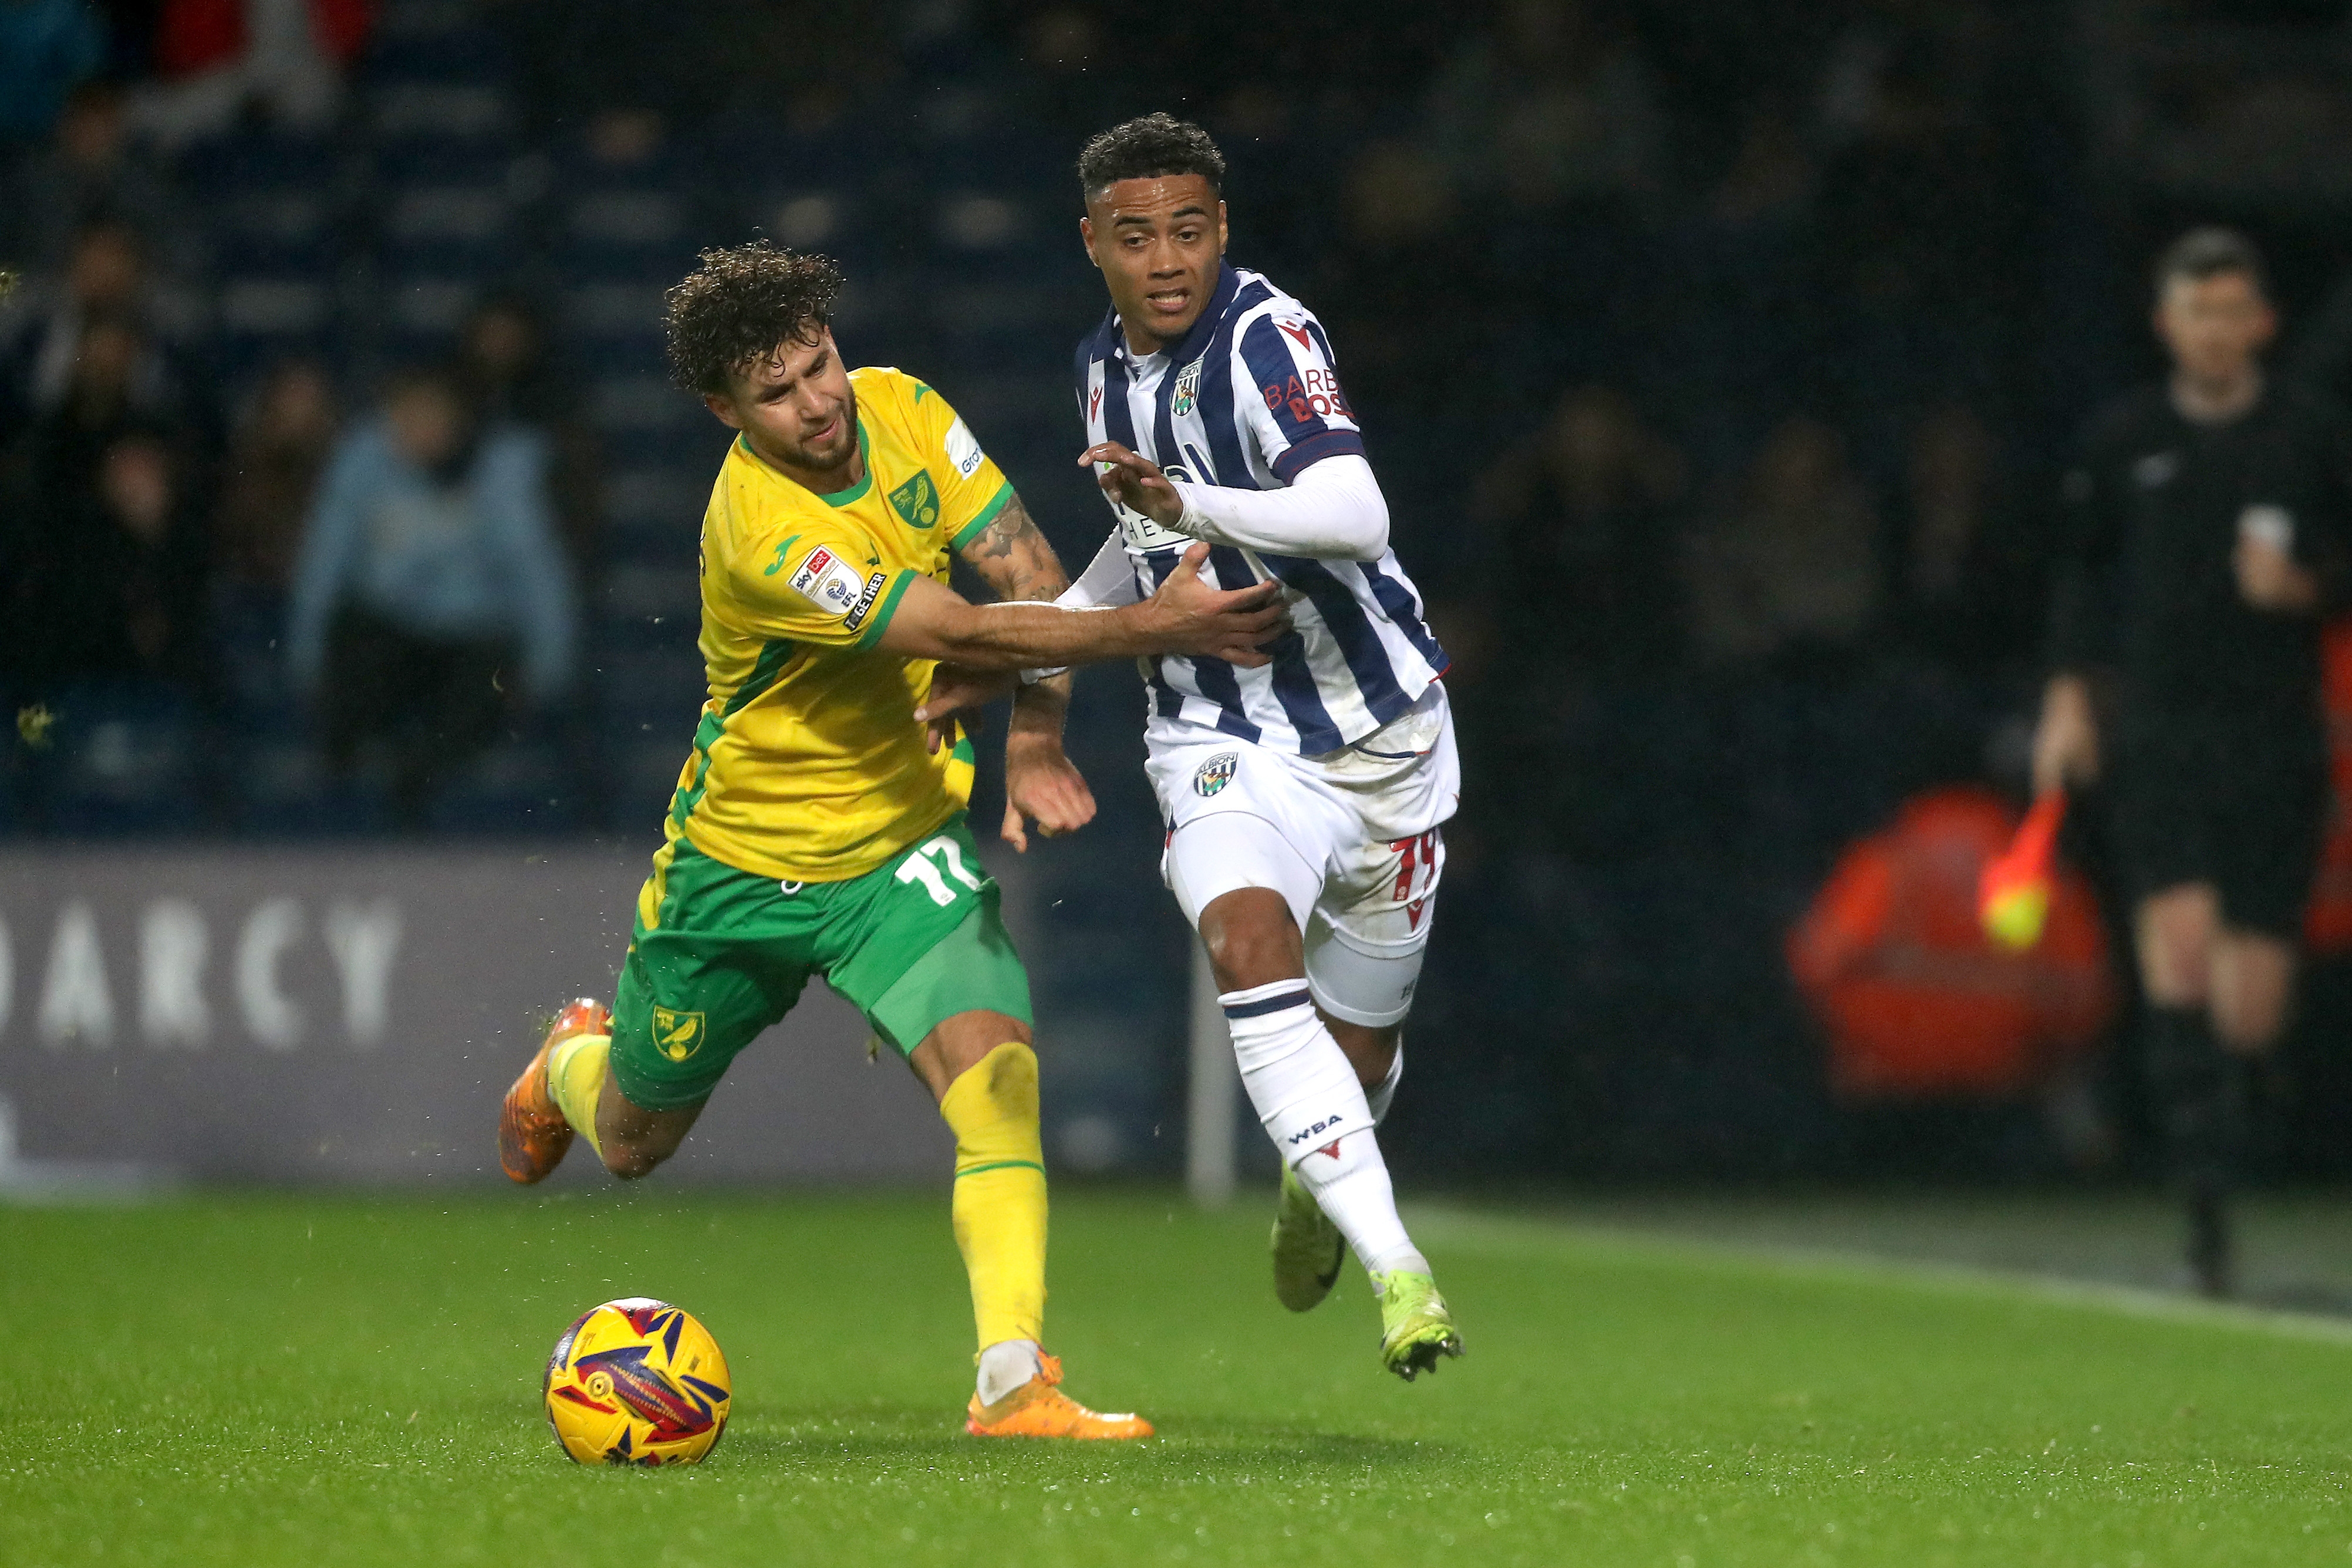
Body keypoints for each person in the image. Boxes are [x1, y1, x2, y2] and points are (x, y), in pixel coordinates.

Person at [495, 242, 1288, 1439]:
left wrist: (1030, 736)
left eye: (819, 365)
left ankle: (1012, 1384)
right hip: (740, 871)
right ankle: (569, 1057)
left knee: (999, 1075)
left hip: (899, 850)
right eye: (776, 393)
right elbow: (966, 621)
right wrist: (1157, 625)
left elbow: (1027, 572)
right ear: (724, 409)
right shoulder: (760, 531)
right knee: (629, 1140)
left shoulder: (906, 407)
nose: (817, 403)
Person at [930, 114, 1466, 1380]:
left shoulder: (1266, 337)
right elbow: (1142, 558)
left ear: (1219, 230)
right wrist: (1016, 656)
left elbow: (1352, 509)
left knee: (1360, 1050)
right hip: (1219, 729)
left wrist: (1190, 504)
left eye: (1186, 230)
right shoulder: (1101, 372)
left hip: (1381, 733)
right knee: (1244, 942)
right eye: (1134, 238)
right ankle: (1401, 1271)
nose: (1164, 261)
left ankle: (1313, 1171)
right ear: (1090, 246)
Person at [2033, 227, 2352, 1296]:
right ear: (2164, 323)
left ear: (2260, 322)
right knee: (2175, 956)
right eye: (2193, 311)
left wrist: (2302, 587)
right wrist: (2069, 701)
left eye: (2232, 311)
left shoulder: (2309, 438)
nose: (2214, 331)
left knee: (2249, 1010)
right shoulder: (2123, 440)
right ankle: (2204, 1230)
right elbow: (2079, 579)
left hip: (2273, 738)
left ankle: (2233, 1141)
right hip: (2161, 734)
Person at [286, 363, 576, 827]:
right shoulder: (362, 460)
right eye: (406, 420)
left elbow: (535, 572)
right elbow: (325, 562)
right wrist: (309, 653)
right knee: (353, 640)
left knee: (490, 682)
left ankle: (417, 778)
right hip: (391, 633)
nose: (419, 433)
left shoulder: (501, 470)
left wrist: (548, 664)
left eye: (432, 420)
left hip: (471, 639)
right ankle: (339, 794)